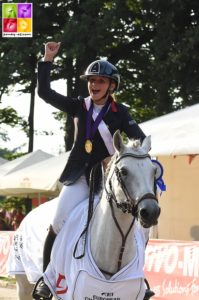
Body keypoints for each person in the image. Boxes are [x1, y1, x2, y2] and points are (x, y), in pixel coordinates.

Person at [32, 42, 153, 300]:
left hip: (111, 182)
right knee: (58, 221)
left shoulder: (122, 113)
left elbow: (141, 144)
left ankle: (139, 279)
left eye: (100, 80)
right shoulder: (79, 106)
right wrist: (47, 60)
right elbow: (44, 92)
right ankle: (48, 278)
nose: (94, 85)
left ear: (112, 86)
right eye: (91, 80)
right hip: (81, 178)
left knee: (142, 227)